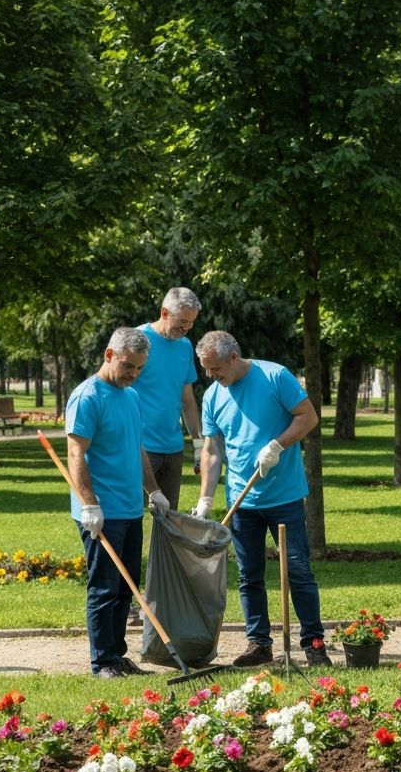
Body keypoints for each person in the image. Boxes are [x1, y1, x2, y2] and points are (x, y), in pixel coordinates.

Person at [191, 330, 331, 668]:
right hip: (242, 501)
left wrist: (277, 445)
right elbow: (211, 450)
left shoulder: (274, 376)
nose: (211, 376)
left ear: (234, 358)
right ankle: (259, 644)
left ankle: (313, 644)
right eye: (206, 370)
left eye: (215, 369)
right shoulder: (212, 396)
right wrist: (206, 500)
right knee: (249, 575)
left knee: (297, 570)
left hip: (284, 496)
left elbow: (308, 417)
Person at [66, 327, 169, 678]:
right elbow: (75, 453)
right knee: (105, 587)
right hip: (100, 512)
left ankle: (117, 655)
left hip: (129, 508)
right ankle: (102, 662)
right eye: (128, 366)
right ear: (109, 355)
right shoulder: (87, 396)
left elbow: (138, 449)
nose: (133, 374)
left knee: (126, 588)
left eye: (139, 368)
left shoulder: (131, 396)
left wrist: (153, 491)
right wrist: (89, 505)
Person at [131, 286, 204, 509]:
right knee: (130, 517)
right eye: (182, 321)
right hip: (140, 446)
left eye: (191, 323)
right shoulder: (138, 340)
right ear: (164, 313)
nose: (187, 328)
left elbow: (187, 399)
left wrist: (199, 443)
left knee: (167, 522)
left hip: (173, 447)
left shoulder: (184, 346)